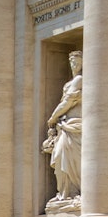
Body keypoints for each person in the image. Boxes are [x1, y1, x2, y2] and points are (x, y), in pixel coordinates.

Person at [43, 50, 82, 200]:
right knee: (59, 157)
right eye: (72, 61)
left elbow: (68, 102)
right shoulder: (68, 83)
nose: (74, 64)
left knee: (67, 157)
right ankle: (65, 193)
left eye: (77, 61)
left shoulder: (79, 79)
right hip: (65, 126)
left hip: (75, 124)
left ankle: (73, 192)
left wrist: (54, 116)